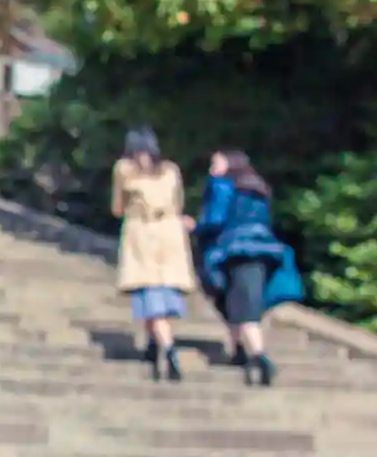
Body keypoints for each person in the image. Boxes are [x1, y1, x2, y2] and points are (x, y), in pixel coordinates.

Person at [197, 148, 302, 387]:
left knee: (241, 306)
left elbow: (214, 219)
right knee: (239, 301)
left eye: (216, 163)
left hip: (235, 250)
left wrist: (195, 227)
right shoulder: (258, 188)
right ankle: (239, 349)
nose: (212, 169)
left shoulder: (222, 186)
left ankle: (258, 356)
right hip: (264, 249)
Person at [112, 126, 194, 381]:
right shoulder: (170, 170)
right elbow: (178, 203)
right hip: (170, 234)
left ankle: (167, 349)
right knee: (163, 292)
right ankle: (153, 343)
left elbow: (117, 207)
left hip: (142, 233)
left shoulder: (124, 170)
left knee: (148, 291)